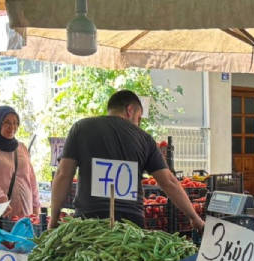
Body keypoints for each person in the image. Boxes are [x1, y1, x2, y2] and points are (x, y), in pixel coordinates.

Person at [50, 90, 205, 230]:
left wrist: (54, 219)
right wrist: (195, 218)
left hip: (88, 221)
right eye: (139, 118)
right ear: (130, 110)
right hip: (130, 225)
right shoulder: (145, 139)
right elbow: (169, 182)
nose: (139, 123)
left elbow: (63, 175)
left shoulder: (81, 128)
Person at [0, 105, 39, 221]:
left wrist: (36, 206)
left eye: (15, 123)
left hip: (25, 212)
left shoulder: (21, 147)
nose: (12, 127)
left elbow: (31, 180)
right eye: (7, 123)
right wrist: (1, 200)